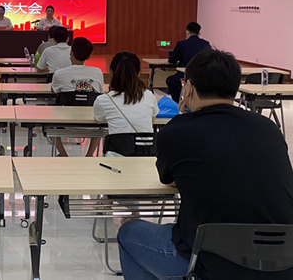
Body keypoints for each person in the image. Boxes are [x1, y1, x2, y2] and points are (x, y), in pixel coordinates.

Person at [117, 49, 293, 280]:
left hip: (210, 264)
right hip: (282, 263)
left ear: (188, 87)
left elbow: (168, 180)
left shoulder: (176, 131)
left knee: (128, 233)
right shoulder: (268, 128)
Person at [93, 51, 158, 156]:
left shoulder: (103, 100)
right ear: (139, 73)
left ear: (111, 72)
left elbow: (98, 120)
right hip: (146, 158)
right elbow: (152, 120)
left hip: (116, 158)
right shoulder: (149, 96)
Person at [51, 37, 105, 157]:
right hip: (92, 124)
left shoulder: (60, 73)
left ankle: (64, 155)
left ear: (71, 52)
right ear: (88, 56)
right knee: (98, 116)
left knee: (48, 125)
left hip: (65, 123)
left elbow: (53, 91)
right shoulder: (97, 72)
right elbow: (100, 93)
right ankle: (89, 155)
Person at [166, 21, 210, 102]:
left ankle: (178, 102)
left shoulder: (181, 44)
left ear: (187, 31)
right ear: (199, 33)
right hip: (202, 76)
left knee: (170, 81)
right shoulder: (206, 44)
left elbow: (172, 60)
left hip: (186, 75)